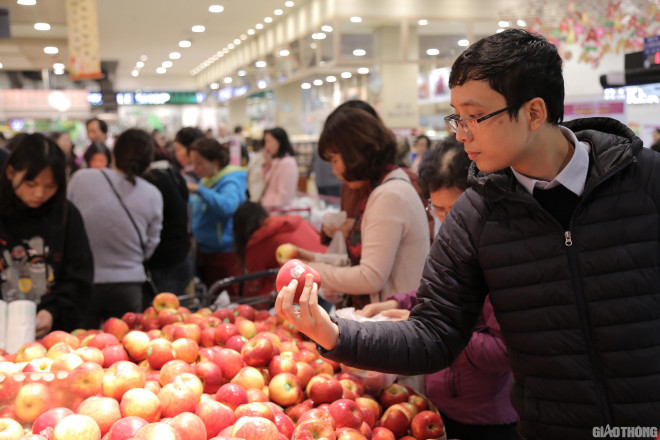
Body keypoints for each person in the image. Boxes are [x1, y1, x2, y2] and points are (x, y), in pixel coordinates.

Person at [276, 28, 660, 440]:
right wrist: (333, 334)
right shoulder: (474, 216)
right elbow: (434, 334)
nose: (461, 134)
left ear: (533, 112)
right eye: (457, 117)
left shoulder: (646, 181)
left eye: (475, 117)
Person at [357, 137, 519, 440]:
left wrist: (431, 330)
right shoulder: (455, 242)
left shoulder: (502, 254)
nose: (447, 219)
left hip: (488, 418)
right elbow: (443, 298)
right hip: (440, 405)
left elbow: (506, 350)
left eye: (453, 209)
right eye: (438, 209)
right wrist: (400, 304)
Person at [290, 106, 430, 308]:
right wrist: (313, 259)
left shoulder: (388, 195)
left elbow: (370, 277)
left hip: (394, 325)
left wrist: (309, 270)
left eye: (335, 160)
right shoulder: (383, 187)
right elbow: (364, 263)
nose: (334, 170)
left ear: (354, 155)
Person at [0, 133, 93, 337]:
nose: (39, 194)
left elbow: (79, 276)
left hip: (55, 339)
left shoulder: (67, 215)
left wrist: (53, 311)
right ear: (10, 172)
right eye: (31, 184)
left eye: (50, 186)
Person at [68, 129, 163, 328]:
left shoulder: (81, 180)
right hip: (129, 283)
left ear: (113, 154)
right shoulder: (152, 194)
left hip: (84, 281)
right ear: (148, 161)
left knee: (82, 351)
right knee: (127, 352)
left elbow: (67, 226)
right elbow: (151, 244)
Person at [233, 201, 327, 300]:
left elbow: (254, 286)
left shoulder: (258, 240)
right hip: (329, 272)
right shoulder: (294, 220)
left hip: (309, 287)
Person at [187, 138, 246, 291]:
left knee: (226, 298)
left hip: (224, 252)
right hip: (207, 250)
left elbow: (227, 207)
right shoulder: (206, 180)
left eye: (199, 162)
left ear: (215, 161)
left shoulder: (229, 181)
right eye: (193, 162)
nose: (195, 168)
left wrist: (199, 191)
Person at [142, 152, 193, 297]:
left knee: (167, 312)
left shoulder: (149, 181)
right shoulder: (172, 173)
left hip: (165, 258)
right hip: (181, 252)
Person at [260, 127, 299, 211]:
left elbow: (284, 196)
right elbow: (265, 183)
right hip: (269, 211)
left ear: (279, 141)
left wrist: (275, 214)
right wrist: (266, 165)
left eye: (269, 141)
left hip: (277, 214)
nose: (266, 146)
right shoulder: (275, 161)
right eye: (266, 142)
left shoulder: (287, 163)